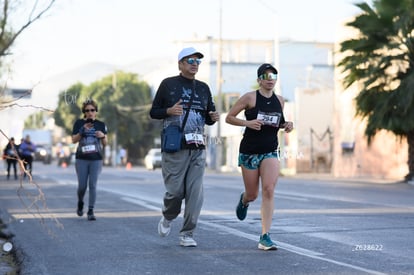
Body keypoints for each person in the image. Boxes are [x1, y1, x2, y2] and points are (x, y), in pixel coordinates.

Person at [149, 47, 219, 247]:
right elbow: (154, 112)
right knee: (175, 192)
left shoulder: (204, 88)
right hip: (175, 146)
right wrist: (169, 110)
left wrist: (212, 118)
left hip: (197, 146)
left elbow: (209, 116)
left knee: (196, 192)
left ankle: (187, 233)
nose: (194, 64)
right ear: (180, 64)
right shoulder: (168, 84)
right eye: (190, 60)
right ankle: (168, 216)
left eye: (198, 61)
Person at [225, 63, 294, 250]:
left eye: (274, 76)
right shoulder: (249, 97)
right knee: (253, 194)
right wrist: (248, 123)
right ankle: (244, 200)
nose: (270, 80)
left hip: (270, 150)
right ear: (259, 80)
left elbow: (277, 123)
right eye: (266, 76)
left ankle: (265, 236)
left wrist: (287, 125)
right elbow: (229, 117)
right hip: (249, 151)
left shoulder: (280, 100)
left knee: (269, 189)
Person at [71, 99, 107, 221]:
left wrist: (103, 136)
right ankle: (80, 201)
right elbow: (73, 140)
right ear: (84, 112)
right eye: (87, 111)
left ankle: (91, 211)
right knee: (82, 186)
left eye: (92, 110)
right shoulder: (79, 123)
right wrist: (82, 131)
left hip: (96, 159)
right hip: (81, 159)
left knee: (92, 185)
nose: (90, 112)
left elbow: (105, 143)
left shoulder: (101, 124)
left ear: (96, 111)